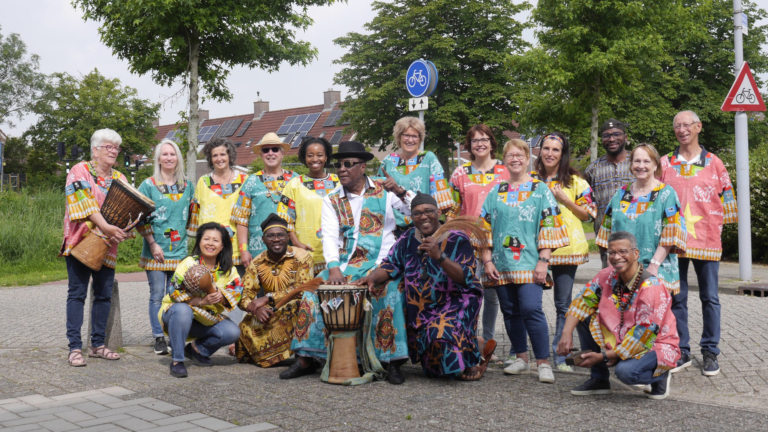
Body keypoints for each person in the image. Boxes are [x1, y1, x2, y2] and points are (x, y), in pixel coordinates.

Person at [282, 141, 416, 384]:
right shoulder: (332, 199)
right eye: (338, 165)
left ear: (362, 167)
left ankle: (392, 362)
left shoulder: (384, 191)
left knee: (391, 293)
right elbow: (330, 236)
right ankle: (305, 359)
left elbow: (417, 210)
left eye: (348, 164)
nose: (341, 169)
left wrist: (399, 191)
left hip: (383, 265)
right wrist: (333, 268)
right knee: (313, 294)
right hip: (345, 265)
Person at [356, 192, 494, 380]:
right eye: (417, 213)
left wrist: (440, 256)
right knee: (433, 371)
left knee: (443, 338)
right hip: (421, 309)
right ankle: (474, 344)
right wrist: (372, 277)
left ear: (438, 213)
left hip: (455, 302)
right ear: (411, 217)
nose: (423, 216)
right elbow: (391, 264)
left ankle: (472, 357)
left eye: (428, 211)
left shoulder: (457, 238)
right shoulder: (406, 239)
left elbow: (465, 277)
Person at [481, 139, 569, 383]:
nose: (515, 159)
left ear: (529, 157)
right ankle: (521, 358)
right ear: (504, 159)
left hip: (530, 262)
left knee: (531, 309)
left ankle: (543, 362)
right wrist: (487, 261)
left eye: (520, 155)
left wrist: (544, 260)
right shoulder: (496, 191)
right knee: (510, 312)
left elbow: (549, 225)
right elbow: (484, 227)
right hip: (501, 264)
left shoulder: (539, 189)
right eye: (510, 155)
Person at [557, 231, 681, 400]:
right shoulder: (606, 276)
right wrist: (566, 334)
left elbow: (643, 337)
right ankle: (599, 378)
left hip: (655, 344)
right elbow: (582, 302)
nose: (616, 257)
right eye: (612, 253)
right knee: (584, 315)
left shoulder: (652, 287)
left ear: (636, 254)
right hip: (623, 337)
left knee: (626, 373)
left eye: (623, 251)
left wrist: (602, 356)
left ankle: (661, 375)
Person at [661, 111, 738, 377]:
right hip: (674, 240)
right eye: (677, 126)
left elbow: (727, 196)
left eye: (687, 125)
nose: (682, 130)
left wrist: (721, 225)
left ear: (698, 127)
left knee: (710, 297)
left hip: (706, 239)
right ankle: (681, 349)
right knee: (677, 297)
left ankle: (710, 351)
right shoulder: (664, 163)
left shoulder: (715, 163)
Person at [60, 129, 132, 367]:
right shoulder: (79, 170)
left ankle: (98, 345)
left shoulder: (120, 178)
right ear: (95, 150)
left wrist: (127, 228)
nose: (113, 151)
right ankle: (74, 348)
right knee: (77, 294)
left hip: (108, 246)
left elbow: (128, 209)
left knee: (103, 295)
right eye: (108, 147)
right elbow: (84, 203)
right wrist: (107, 227)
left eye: (116, 147)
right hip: (81, 242)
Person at [531, 132, 596, 371]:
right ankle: (528, 353)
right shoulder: (530, 179)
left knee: (562, 304)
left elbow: (588, 214)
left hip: (567, 248)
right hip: (534, 249)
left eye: (555, 150)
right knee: (530, 304)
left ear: (562, 154)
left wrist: (565, 199)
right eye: (546, 149)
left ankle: (560, 353)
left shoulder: (576, 181)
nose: (549, 153)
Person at [447, 124, 510, 364]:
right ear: (469, 145)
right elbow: (452, 211)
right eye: (475, 141)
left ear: (492, 143)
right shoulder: (459, 174)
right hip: (467, 243)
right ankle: (468, 341)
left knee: (493, 296)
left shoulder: (505, 172)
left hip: (498, 243)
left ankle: (488, 344)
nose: (480, 144)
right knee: (467, 294)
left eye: (484, 139)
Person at [596, 143, 687, 294]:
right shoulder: (620, 194)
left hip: (655, 271)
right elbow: (607, 234)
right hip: (621, 271)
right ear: (631, 165)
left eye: (646, 161)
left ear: (655, 165)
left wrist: (654, 266)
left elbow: (671, 235)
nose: (641, 166)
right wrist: (610, 266)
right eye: (637, 161)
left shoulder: (667, 194)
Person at [136, 139, 195, 356]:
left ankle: (173, 335)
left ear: (178, 158)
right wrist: (152, 243)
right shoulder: (148, 185)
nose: (169, 158)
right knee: (157, 294)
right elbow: (139, 217)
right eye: (164, 154)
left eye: (172, 154)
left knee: (176, 294)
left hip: (179, 251)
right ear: (158, 159)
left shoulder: (188, 185)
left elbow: (193, 217)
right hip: (156, 250)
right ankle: (158, 338)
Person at [161, 222, 243, 378]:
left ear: (222, 245)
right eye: (206, 239)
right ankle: (177, 360)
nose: (210, 243)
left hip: (206, 319)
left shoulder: (229, 270)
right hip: (176, 314)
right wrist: (201, 301)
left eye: (215, 240)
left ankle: (196, 350)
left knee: (232, 332)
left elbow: (237, 292)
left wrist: (220, 295)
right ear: (199, 242)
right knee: (182, 310)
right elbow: (173, 292)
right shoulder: (189, 263)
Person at [235, 214, 314, 367]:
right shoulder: (257, 263)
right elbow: (243, 295)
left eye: (280, 235)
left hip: (298, 308)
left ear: (288, 237)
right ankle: (271, 356)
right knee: (243, 327)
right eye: (271, 236)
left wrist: (268, 298)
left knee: (299, 307)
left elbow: (303, 287)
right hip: (271, 312)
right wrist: (255, 310)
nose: (276, 239)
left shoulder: (302, 257)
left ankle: (303, 356)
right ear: (263, 239)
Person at [377, 117, 454, 237]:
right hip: (393, 231)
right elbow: (378, 194)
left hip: (423, 228)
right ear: (399, 137)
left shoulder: (429, 158)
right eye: (406, 135)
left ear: (420, 139)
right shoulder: (388, 161)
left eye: (415, 136)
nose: (410, 140)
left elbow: (442, 201)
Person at [233, 132, 297, 271]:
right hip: (259, 253)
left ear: (282, 153)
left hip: (290, 251)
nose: (270, 153)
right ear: (261, 155)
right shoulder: (251, 181)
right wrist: (244, 250)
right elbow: (242, 219)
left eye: (275, 149)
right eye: (265, 150)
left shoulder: (295, 179)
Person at [279, 137, 339, 274]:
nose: (315, 159)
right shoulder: (295, 184)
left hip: (335, 252)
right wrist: (296, 244)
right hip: (305, 252)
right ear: (304, 158)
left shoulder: (338, 183)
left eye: (319, 155)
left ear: (326, 157)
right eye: (310, 155)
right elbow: (285, 218)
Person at [190, 137, 248, 271]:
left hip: (236, 249)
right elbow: (196, 215)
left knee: (237, 289)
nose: (219, 158)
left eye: (222, 154)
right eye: (214, 155)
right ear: (210, 159)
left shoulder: (244, 180)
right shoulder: (203, 182)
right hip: (210, 249)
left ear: (230, 156)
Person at [583, 119, 634, 268]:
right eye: (606, 135)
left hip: (637, 232)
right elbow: (586, 204)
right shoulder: (592, 170)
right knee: (610, 279)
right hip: (606, 237)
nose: (611, 139)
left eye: (616, 134)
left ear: (625, 137)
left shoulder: (638, 163)